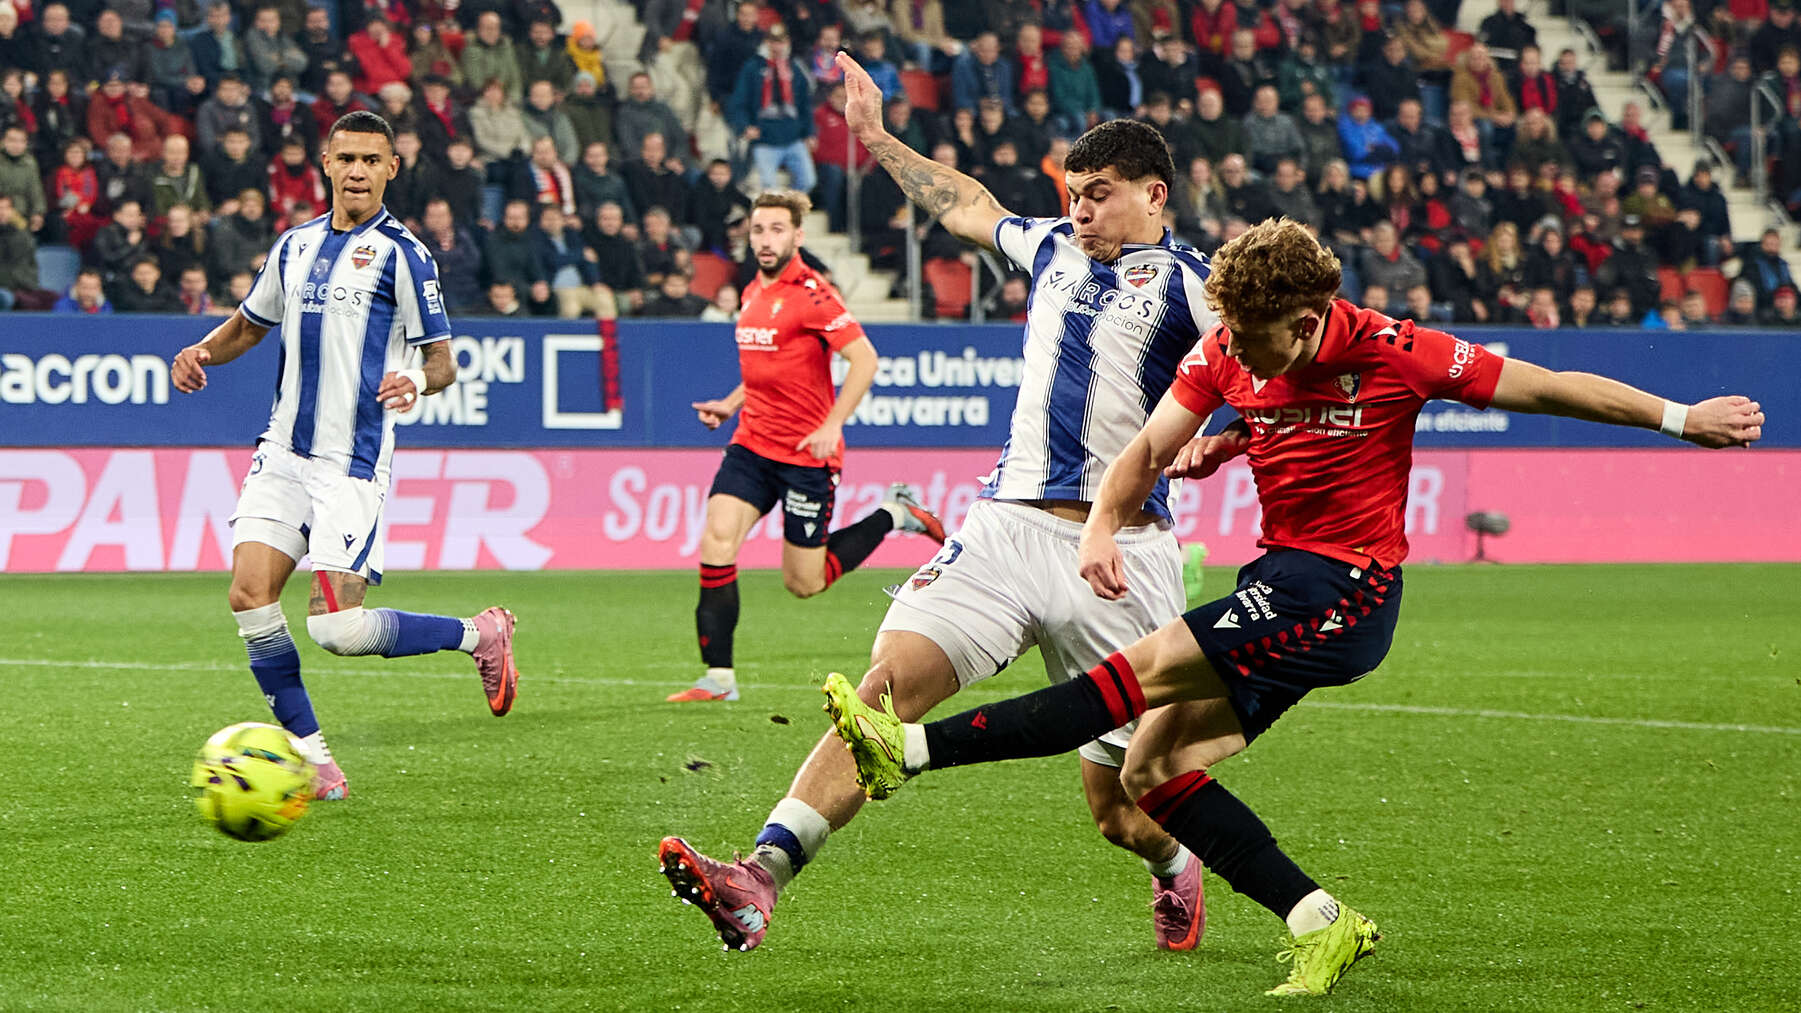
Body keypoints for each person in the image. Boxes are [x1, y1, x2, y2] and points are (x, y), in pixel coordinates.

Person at [822, 216, 1766, 997]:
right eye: (1227, 332)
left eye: (1252, 336)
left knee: (1130, 676)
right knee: (1153, 768)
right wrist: (1106, 523)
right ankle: (1321, 919)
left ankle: (909, 750)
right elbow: (1147, 448)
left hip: (1344, 588)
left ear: (1309, 322)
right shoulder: (1230, 346)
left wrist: (1681, 419)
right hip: (1278, 582)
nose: (1232, 347)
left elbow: (1550, 388)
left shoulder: (1396, 350)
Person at [659, 53, 1239, 958]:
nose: (1080, 210)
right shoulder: (1049, 245)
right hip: (1005, 527)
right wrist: (874, 135)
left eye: (1099, 194)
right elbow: (965, 203)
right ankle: (759, 877)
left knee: (1124, 804)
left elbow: (1271, 372)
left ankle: (1173, 864)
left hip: (1119, 555)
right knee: (881, 692)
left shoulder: (1195, 285)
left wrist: (1225, 436)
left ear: (1153, 195)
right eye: (1073, 194)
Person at [168, 111, 523, 805]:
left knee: (337, 629)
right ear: (326, 164)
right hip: (282, 452)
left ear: (392, 168)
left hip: (350, 464)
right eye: (346, 158)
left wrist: (414, 380)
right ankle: (314, 760)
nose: (357, 170)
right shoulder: (294, 245)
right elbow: (249, 324)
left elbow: (443, 361)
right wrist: (203, 350)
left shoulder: (405, 254)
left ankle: (479, 634)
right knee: (249, 595)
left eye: (371, 159)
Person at [669, 188, 947, 705]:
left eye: (777, 230)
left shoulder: (815, 295)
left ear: (797, 235)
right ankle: (719, 679)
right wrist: (730, 404)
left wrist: (832, 424)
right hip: (752, 444)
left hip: (805, 456)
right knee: (716, 541)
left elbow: (865, 360)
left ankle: (894, 513)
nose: (765, 239)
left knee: (805, 582)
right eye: (758, 230)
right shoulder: (751, 291)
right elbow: (767, 368)